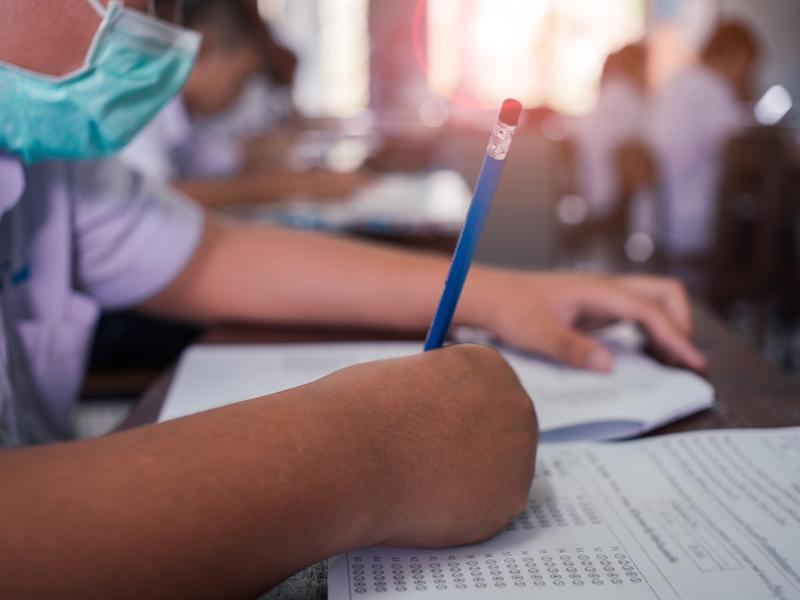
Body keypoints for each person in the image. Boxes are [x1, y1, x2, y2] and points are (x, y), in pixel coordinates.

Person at [0, 1, 705, 597]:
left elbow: (209, 254)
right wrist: (370, 452)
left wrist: (506, 292)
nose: (146, 21)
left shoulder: (49, 161)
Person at [121, 0, 367, 205]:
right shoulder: (138, 105)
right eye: (240, 79)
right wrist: (300, 186)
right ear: (204, 49)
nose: (238, 94)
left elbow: (225, 164)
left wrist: (309, 177)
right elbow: (156, 198)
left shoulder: (192, 117)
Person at [648, 21, 761, 257]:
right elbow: (748, 148)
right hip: (693, 229)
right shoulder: (712, 88)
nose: (748, 74)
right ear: (737, 56)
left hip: (657, 222)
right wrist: (746, 91)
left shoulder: (677, 82)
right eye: (749, 66)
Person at [574, 43, 649, 220]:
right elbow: (645, 145)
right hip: (610, 200)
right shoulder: (626, 96)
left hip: (593, 194)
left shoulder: (612, 93)